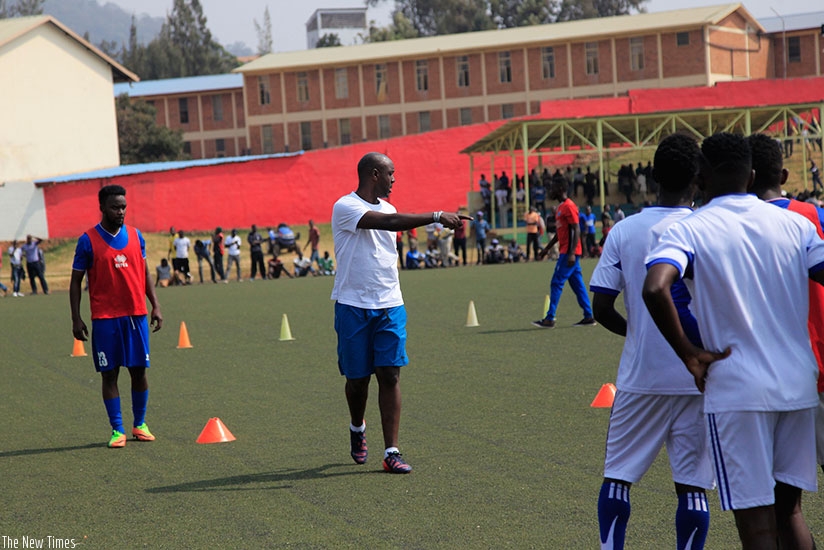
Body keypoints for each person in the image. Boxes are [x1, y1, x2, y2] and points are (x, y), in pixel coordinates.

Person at [643, 132, 824, 548]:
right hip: (796, 386)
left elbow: (655, 287)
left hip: (737, 390)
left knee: (757, 524)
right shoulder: (796, 225)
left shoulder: (690, 228)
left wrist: (689, 355)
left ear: (701, 177)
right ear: (754, 174)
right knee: (789, 512)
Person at [590, 134, 711, 550]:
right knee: (693, 485)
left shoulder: (624, 230)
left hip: (641, 378)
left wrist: (639, 332)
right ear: (698, 177)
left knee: (618, 476)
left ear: (653, 176)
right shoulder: (706, 229)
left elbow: (601, 306)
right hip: (700, 376)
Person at [331, 152, 469, 474]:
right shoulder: (346, 207)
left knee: (390, 374)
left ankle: (391, 451)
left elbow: (390, 230)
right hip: (353, 304)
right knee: (357, 380)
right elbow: (389, 223)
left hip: (390, 303)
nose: (395, 179)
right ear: (374, 174)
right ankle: (357, 427)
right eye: (391, 173)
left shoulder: (390, 206)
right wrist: (436, 215)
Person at [748, 134, 824, 482]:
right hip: (818, 357)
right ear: (783, 175)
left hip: (766, 372)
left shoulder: (736, 224)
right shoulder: (810, 215)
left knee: (778, 489)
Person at [69, 185, 163, 448]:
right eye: (115, 207)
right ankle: (117, 429)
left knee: (139, 371)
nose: (120, 211)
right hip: (105, 319)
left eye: (123, 206)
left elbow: (144, 273)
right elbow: (76, 282)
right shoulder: (87, 240)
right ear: (102, 207)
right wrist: (76, 318)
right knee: (109, 374)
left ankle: (140, 424)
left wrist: (155, 305)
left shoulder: (136, 236)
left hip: (136, 315)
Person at [533, 177, 595, 328]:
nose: (550, 191)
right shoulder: (560, 208)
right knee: (578, 285)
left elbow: (576, 228)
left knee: (556, 282)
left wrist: (572, 252)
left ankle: (550, 318)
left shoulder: (569, 206)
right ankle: (589, 316)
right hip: (566, 250)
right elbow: (559, 233)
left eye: (553, 188)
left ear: (560, 189)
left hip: (569, 252)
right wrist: (546, 249)